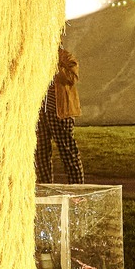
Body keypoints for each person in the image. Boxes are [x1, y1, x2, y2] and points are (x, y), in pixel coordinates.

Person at [34, 47, 83, 182]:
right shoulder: (36, 57)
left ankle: (77, 188)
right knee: (41, 152)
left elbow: (71, 78)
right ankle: (45, 186)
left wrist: (54, 66)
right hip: (41, 113)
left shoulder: (66, 57)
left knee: (67, 151)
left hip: (60, 113)